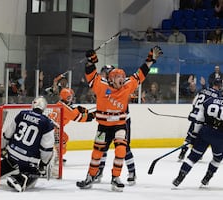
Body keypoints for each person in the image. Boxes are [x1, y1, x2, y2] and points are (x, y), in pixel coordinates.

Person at [76, 46, 163, 191]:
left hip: (119, 125)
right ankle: (90, 176)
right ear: (110, 78)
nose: (122, 79)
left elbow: (140, 75)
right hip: (103, 126)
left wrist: (150, 60)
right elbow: (90, 75)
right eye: (118, 77)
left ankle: (115, 177)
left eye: (123, 77)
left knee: (121, 150)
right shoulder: (101, 85)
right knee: (97, 153)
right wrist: (90, 61)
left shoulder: (127, 86)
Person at [172, 79, 223, 187]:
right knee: (217, 158)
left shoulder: (208, 101)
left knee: (192, 157)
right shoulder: (216, 95)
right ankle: (206, 178)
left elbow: (199, 119)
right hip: (220, 136)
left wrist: (194, 135)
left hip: (205, 131)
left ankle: (179, 178)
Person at [0, 96, 55, 192]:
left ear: (33, 104)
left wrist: (2, 147)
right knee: (36, 172)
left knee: (8, 163)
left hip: (11, 153)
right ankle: (21, 179)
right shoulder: (47, 122)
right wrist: (43, 163)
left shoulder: (22, 114)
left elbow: (8, 133)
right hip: (28, 159)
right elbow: (46, 147)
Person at [95, 65, 137, 186]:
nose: (102, 75)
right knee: (102, 147)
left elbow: (128, 90)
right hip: (107, 122)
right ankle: (99, 171)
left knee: (124, 147)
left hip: (121, 122)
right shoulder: (105, 86)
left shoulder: (121, 85)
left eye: (105, 73)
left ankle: (132, 172)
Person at [177, 78, 222, 161]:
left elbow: (194, 102)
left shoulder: (202, 91)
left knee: (190, 136)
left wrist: (194, 112)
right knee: (201, 137)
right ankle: (197, 154)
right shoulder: (217, 95)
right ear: (219, 85)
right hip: (202, 118)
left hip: (194, 115)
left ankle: (182, 152)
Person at [49, 88, 95, 165]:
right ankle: (55, 157)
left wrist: (80, 109)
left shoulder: (60, 104)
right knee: (62, 145)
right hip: (54, 130)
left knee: (65, 137)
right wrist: (91, 115)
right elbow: (78, 118)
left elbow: (72, 110)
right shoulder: (64, 108)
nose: (72, 98)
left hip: (52, 129)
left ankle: (56, 156)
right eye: (70, 97)